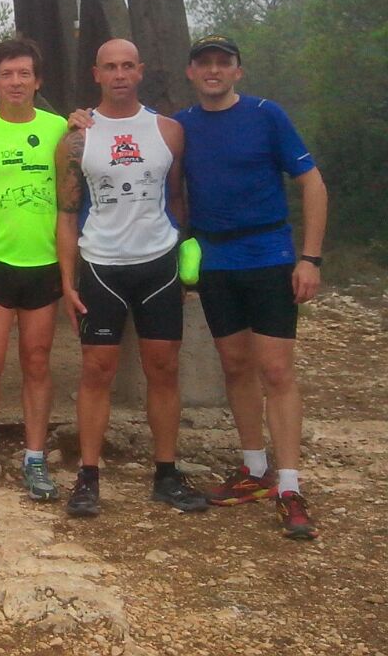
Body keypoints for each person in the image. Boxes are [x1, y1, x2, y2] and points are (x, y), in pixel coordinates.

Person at [179, 34, 326, 539]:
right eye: (204, 63)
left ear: (237, 71)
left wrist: (310, 258)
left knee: (276, 370)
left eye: (223, 63)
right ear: (191, 72)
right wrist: (82, 120)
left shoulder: (267, 115)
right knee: (235, 365)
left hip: (269, 256)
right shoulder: (180, 125)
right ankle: (254, 468)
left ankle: (289, 486)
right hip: (215, 260)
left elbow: (312, 182)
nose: (213, 70)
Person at [54, 39, 206, 518]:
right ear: (96, 74)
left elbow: (177, 198)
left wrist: (184, 262)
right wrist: (67, 282)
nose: (119, 75)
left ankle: (166, 473)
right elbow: (66, 213)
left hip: (157, 263)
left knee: (163, 368)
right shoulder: (76, 138)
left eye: (127, 66)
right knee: (96, 370)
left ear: (139, 71)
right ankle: (88, 476)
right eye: (110, 67)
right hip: (101, 264)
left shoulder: (168, 130)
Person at [0, 38, 66, 501]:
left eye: (24, 73)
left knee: (37, 361)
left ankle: (35, 457)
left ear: (37, 81)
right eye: (7, 74)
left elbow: (71, 195)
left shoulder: (60, 128)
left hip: (44, 260)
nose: (16, 82)